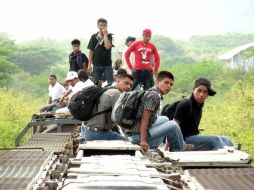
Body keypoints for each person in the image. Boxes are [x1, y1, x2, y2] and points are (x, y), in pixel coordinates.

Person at [126, 71, 191, 151]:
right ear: (157, 82)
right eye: (166, 83)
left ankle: (155, 145)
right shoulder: (154, 95)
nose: (168, 86)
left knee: (165, 119)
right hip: (136, 137)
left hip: (134, 132)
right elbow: (145, 119)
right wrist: (143, 141)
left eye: (171, 84)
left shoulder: (152, 91)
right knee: (173, 125)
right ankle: (181, 147)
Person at [173, 77, 234, 151]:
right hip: (183, 141)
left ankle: (234, 156)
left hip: (193, 137)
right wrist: (168, 147)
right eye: (199, 91)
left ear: (208, 94)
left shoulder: (199, 107)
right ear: (193, 90)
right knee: (215, 140)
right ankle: (224, 159)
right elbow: (173, 127)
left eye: (205, 92)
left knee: (227, 139)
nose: (201, 94)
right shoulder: (185, 104)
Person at [80, 73, 133, 142]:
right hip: (97, 134)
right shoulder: (116, 93)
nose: (128, 87)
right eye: (126, 83)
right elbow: (120, 119)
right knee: (129, 142)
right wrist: (131, 134)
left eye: (131, 85)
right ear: (117, 80)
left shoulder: (107, 88)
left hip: (86, 130)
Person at [87, 18, 114, 85]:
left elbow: (107, 46)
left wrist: (105, 35)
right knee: (96, 84)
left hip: (107, 64)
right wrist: (89, 65)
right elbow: (91, 51)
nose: (102, 27)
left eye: (104, 25)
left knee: (110, 83)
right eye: (101, 25)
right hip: (96, 64)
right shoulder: (93, 37)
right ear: (98, 26)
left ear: (107, 26)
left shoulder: (110, 36)